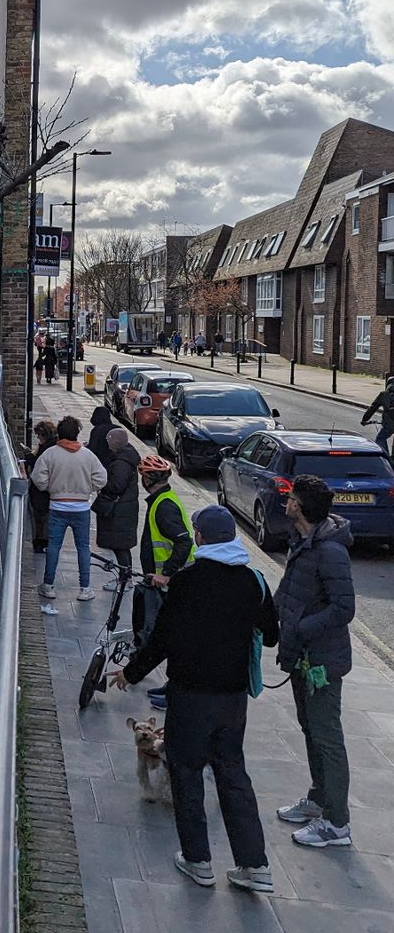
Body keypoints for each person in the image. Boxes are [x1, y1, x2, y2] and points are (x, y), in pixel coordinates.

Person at [111, 506, 279, 892]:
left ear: (200, 537)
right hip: (234, 699)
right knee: (233, 773)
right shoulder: (254, 579)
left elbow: (162, 638)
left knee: (186, 773)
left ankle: (198, 860)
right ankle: (255, 866)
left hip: (189, 696)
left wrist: (131, 672)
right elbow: (271, 634)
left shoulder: (187, 581)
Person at [275, 474, 355, 849]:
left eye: (290, 498)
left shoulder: (330, 552)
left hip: (321, 662)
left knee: (328, 738)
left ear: (301, 507)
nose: (286, 502)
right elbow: (291, 590)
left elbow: (344, 609)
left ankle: (337, 823)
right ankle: (319, 800)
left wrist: (302, 628)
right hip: (301, 656)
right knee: (311, 731)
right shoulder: (305, 543)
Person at [137, 453, 196, 709]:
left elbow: (184, 541)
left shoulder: (164, 506)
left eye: (143, 476)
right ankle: (171, 685)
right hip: (168, 580)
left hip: (174, 583)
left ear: (149, 478)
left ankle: (176, 691)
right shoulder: (161, 500)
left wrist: (166, 574)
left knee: (174, 636)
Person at [30, 415, 106, 605]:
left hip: (57, 505)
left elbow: (37, 478)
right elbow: (101, 479)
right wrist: (88, 488)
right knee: (83, 548)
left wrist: (50, 487)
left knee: (54, 546)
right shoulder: (88, 455)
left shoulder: (50, 454)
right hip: (81, 507)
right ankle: (85, 588)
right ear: (77, 433)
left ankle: (48, 585)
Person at [95, 427, 140, 581]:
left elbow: (117, 486)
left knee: (120, 546)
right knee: (122, 546)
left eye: (109, 440)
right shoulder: (125, 457)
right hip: (125, 509)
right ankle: (125, 576)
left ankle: (124, 579)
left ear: (114, 443)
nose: (107, 443)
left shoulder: (121, 463)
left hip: (119, 511)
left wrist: (100, 483)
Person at [24, 419, 58, 555]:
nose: (38, 438)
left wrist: (28, 455)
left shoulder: (46, 448)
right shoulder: (52, 446)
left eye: (39, 435)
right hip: (48, 487)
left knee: (41, 516)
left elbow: (38, 463)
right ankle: (43, 541)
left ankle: (41, 542)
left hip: (41, 488)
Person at [361, 374, 394, 457]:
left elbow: (372, 408)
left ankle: (386, 457)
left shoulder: (384, 394)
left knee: (380, 438)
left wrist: (365, 419)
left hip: (389, 424)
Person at [86, 405, 114, 469]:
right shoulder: (117, 429)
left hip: (101, 463)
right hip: (115, 461)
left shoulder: (96, 430)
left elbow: (92, 449)